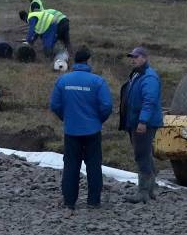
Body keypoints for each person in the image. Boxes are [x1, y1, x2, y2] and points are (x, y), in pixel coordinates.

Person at [49, 46, 114, 210]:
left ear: (73, 61)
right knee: (93, 166)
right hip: (92, 131)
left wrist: (66, 117)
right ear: (88, 61)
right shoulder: (97, 81)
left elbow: (55, 104)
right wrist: (98, 120)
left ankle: (69, 201)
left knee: (71, 166)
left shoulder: (63, 80)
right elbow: (106, 106)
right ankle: (93, 201)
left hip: (71, 131)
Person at [119, 46, 163, 203]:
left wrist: (143, 121)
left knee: (141, 155)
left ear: (145, 58)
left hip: (143, 123)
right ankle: (151, 189)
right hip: (136, 122)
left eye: (136, 57)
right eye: (132, 57)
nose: (133, 59)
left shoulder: (148, 77)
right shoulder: (138, 75)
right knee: (145, 154)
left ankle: (143, 192)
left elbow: (149, 101)